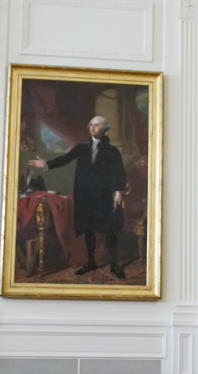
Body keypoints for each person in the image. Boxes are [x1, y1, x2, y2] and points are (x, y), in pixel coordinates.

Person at [29, 115, 127, 279]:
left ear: (104, 129)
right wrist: (46, 164)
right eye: (91, 125)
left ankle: (115, 265)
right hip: (86, 196)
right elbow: (65, 159)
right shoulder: (81, 148)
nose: (92, 128)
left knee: (110, 231)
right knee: (88, 230)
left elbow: (119, 172)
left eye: (96, 125)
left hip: (104, 197)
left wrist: (118, 191)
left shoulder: (112, 151)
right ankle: (91, 262)